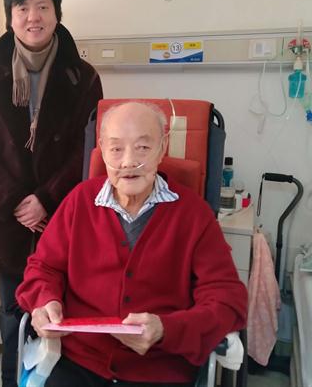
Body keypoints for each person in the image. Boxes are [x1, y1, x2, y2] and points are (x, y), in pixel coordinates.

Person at [16, 101, 248, 387]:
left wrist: (166, 330)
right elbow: (43, 267)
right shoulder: (79, 201)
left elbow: (227, 299)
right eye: (116, 149)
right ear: (102, 150)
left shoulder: (193, 214)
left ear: (163, 148)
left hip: (160, 367)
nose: (128, 162)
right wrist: (45, 301)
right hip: (79, 361)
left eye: (143, 147)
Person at [0, 0, 103, 387]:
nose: (32, 17)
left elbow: (89, 145)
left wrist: (45, 199)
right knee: (13, 315)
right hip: (6, 217)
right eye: (22, 8)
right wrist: (13, 201)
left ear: (57, 14)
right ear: (10, 17)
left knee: (60, 314)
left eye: (42, 6)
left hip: (60, 215)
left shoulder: (84, 76)